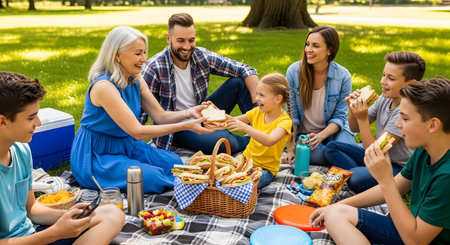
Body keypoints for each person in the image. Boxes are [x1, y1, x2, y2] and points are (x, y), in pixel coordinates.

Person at [70, 26, 212, 194]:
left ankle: (188, 182)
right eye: (138, 54)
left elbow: (160, 115)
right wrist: (186, 126)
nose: (144, 59)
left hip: (125, 144)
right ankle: (192, 187)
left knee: (174, 162)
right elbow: (137, 131)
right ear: (117, 54)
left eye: (144, 52)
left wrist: (190, 112)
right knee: (150, 176)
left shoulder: (136, 80)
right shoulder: (104, 87)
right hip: (95, 155)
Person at [310, 77, 450, 245]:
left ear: (433, 125)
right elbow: (397, 186)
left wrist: (385, 179)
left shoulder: (446, 176)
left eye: (405, 118)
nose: (397, 124)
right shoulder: (424, 150)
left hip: (417, 238)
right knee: (337, 213)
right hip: (412, 230)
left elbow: (416, 240)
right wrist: (336, 206)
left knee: (337, 216)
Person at [0, 71, 124, 244]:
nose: (38, 122)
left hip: (32, 235)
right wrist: (55, 233)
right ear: (3, 122)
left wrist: (69, 216)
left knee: (111, 213)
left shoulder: (22, 150)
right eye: (30, 117)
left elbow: (31, 209)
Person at [140, 13, 259, 154]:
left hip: (201, 113)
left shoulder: (201, 56)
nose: (187, 46)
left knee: (239, 82)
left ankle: (262, 129)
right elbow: (140, 116)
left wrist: (257, 105)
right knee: (226, 143)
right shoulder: (154, 68)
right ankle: (260, 142)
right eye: (180, 40)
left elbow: (246, 70)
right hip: (177, 128)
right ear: (168, 38)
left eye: (191, 40)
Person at [324, 51, 426, 193]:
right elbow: (354, 128)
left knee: (355, 180)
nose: (383, 81)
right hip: (378, 157)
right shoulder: (386, 98)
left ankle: (361, 174)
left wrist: (362, 118)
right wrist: (353, 109)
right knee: (331, 148)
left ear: (411, 84)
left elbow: (375, 152)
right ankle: (361, 171)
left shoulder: (405, 112)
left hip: (397, 167)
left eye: (391, 78)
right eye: (384, 75)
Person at [281, 25, 355, 166]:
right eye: (307, 44)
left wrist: (321, 136)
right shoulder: (294, 72)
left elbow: (340, 117)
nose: (308, 50)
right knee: (316, 155)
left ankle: (340, 154)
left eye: (315, 46)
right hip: (306, 135)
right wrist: (290, 149)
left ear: (330, 50)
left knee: (345, 149)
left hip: (334, 130)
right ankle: (338, 156)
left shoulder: (343, 76)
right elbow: (292, 116)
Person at [227, 73, 292, 188]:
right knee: (224, 178)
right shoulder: (257, 112)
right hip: (245, 160)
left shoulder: (285, 122)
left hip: (265, 170)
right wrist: (215, 113)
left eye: (261, 95)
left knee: (244, 186)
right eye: (257, 94)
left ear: (278, 99)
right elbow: (231, 121)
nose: (256, 98)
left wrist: (246, 128)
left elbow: (269, 140)